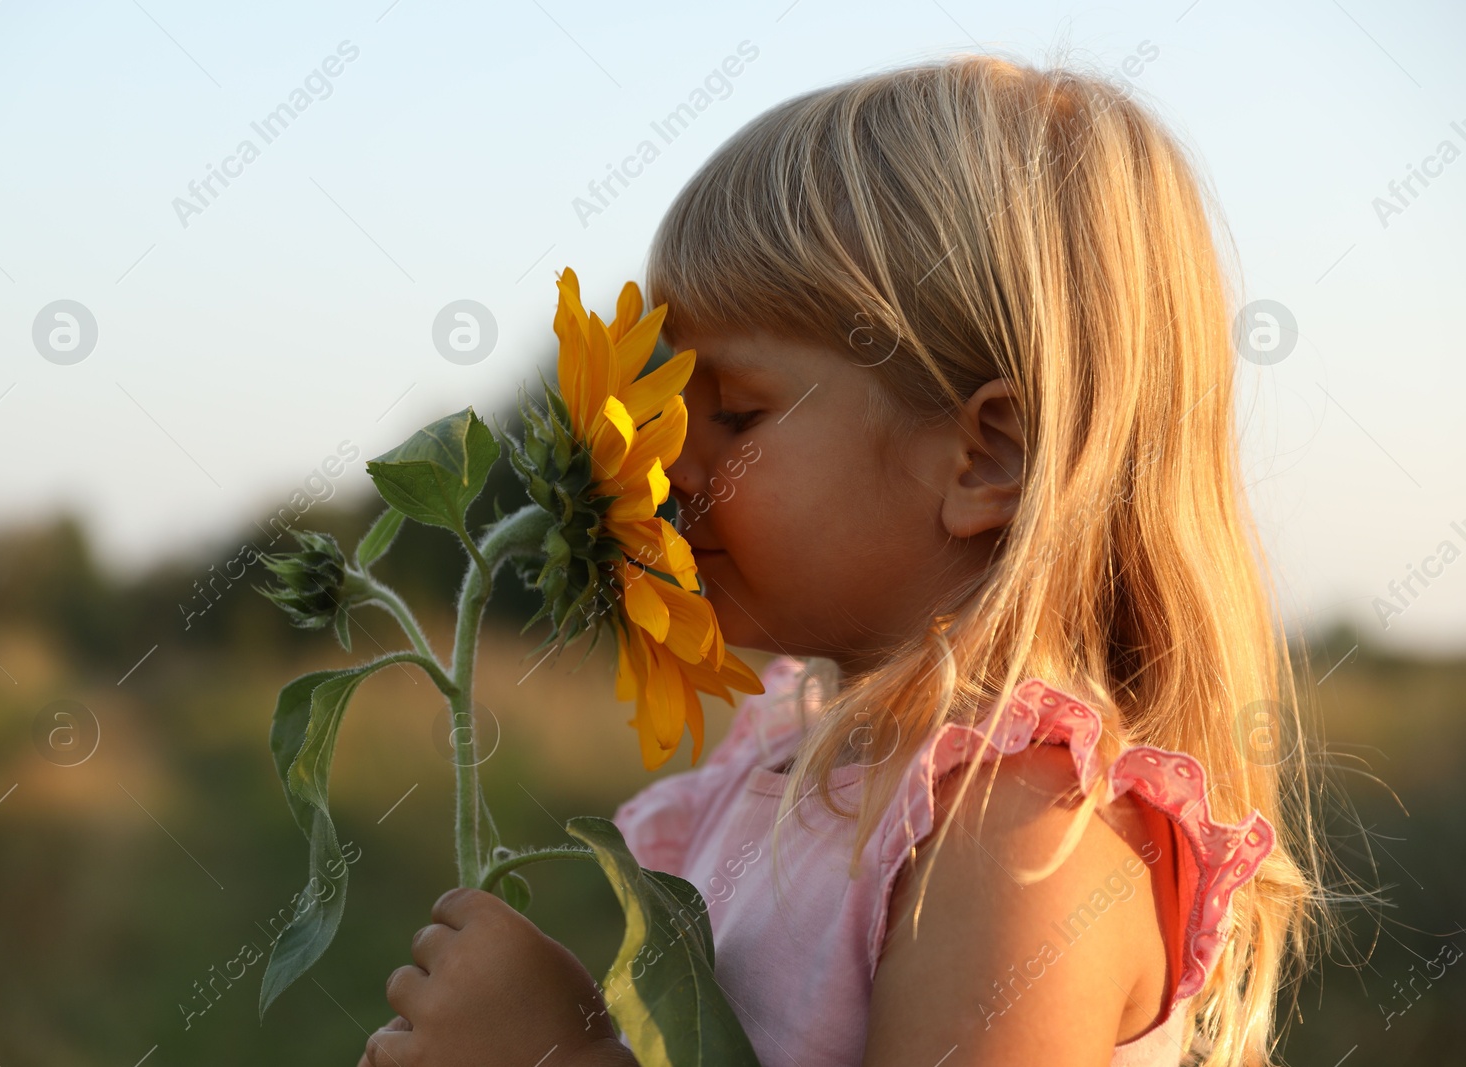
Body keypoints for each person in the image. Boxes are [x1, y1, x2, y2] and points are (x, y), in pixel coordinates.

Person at [359, 51, 1322, 1067]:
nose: (666, 466)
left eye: (735, 412)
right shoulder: (796, 768)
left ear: (984, 456)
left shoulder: (1019, 845)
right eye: (666, 402)